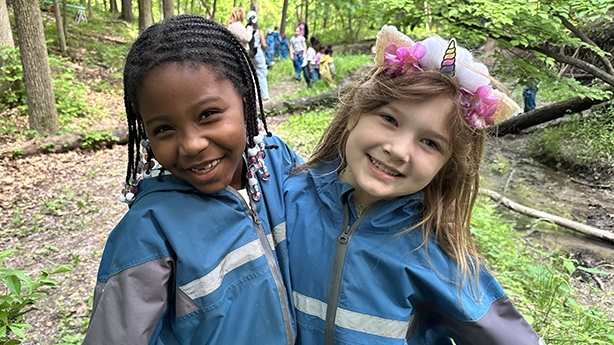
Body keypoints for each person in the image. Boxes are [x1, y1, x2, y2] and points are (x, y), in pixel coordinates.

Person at [283, 26, 542, 344]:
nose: (399, 151)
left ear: (447, 165)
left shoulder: (435, 254)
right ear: (354, 115)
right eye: (389, 119)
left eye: (430, 143)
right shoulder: (286, 198)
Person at [83, 15, 301, 345]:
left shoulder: (278, 161)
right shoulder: (148, 231)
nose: (191, 144)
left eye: (207, 115)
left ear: (244, 103)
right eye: (164, 129)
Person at [246, 10, 269, 100]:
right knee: (262, 73)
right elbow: (263, 44)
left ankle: (255, 96)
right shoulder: (259, 31)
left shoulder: (246, 29)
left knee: (252, 73)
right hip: (258, 52)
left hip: (249, 53)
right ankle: (264, 95)